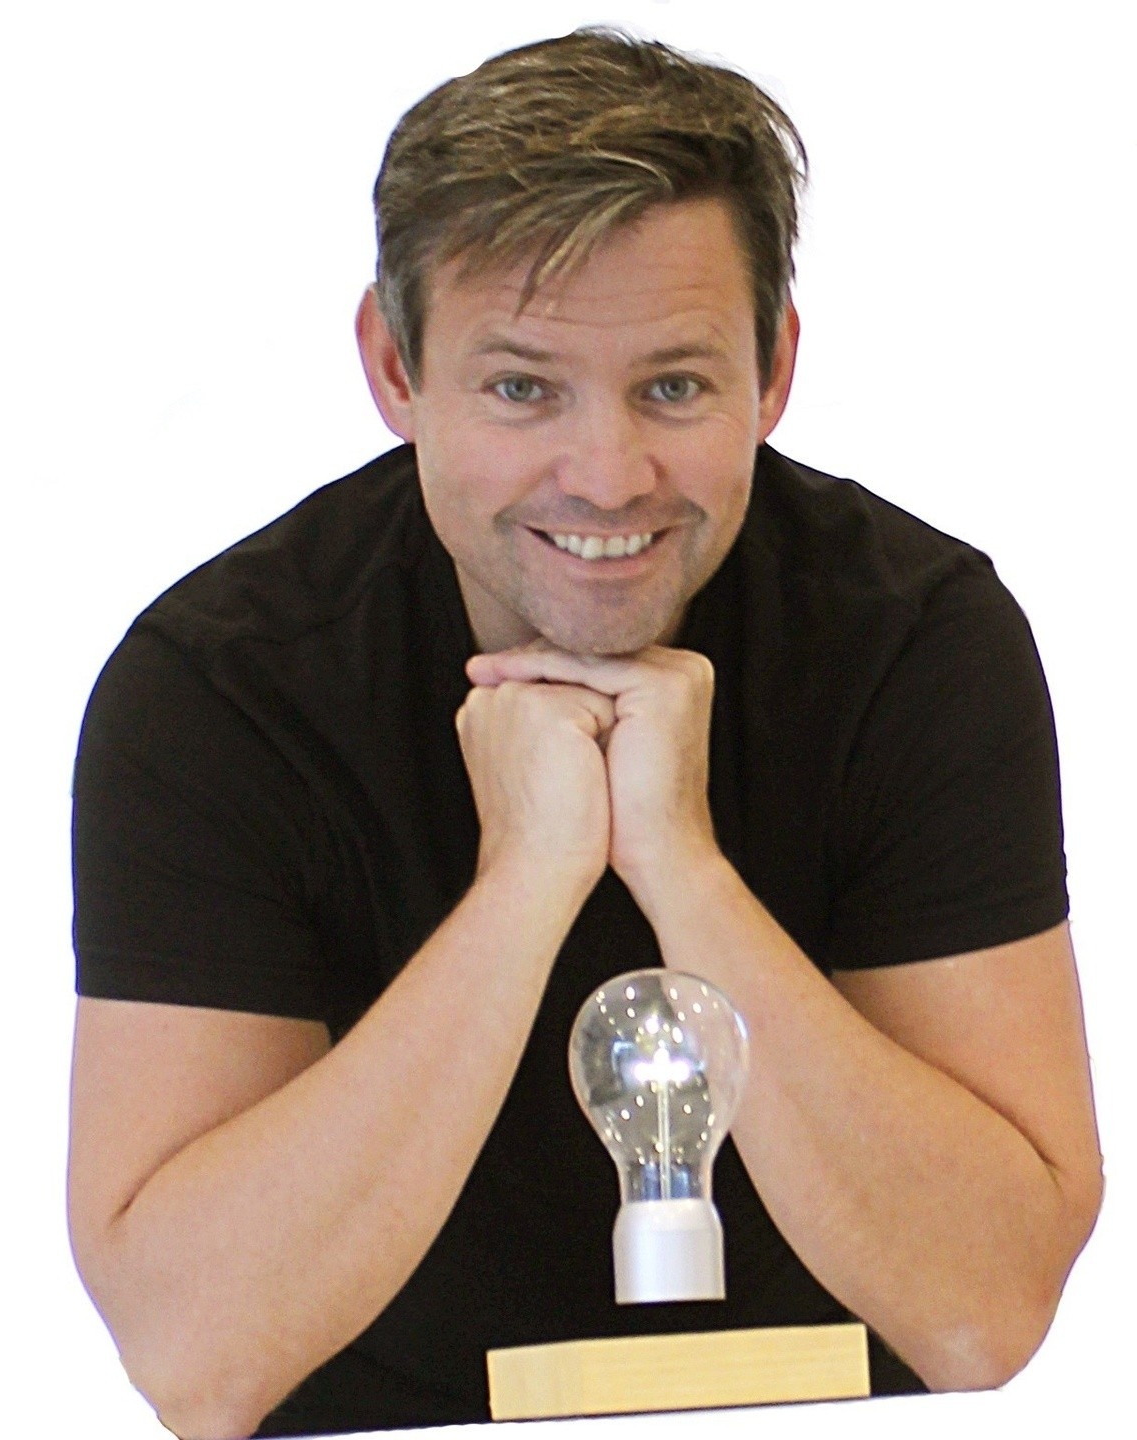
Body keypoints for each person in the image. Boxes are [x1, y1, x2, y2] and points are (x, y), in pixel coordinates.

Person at [67, 27, 1103, 1440]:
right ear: (393, 367)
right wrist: (528, 881)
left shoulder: (915, 640)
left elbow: (984, 1310)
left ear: (774, 368)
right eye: (522, 388)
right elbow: (194, 1359)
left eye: (674, 386)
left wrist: (681, 862)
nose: (608, 477)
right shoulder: (221, 688)